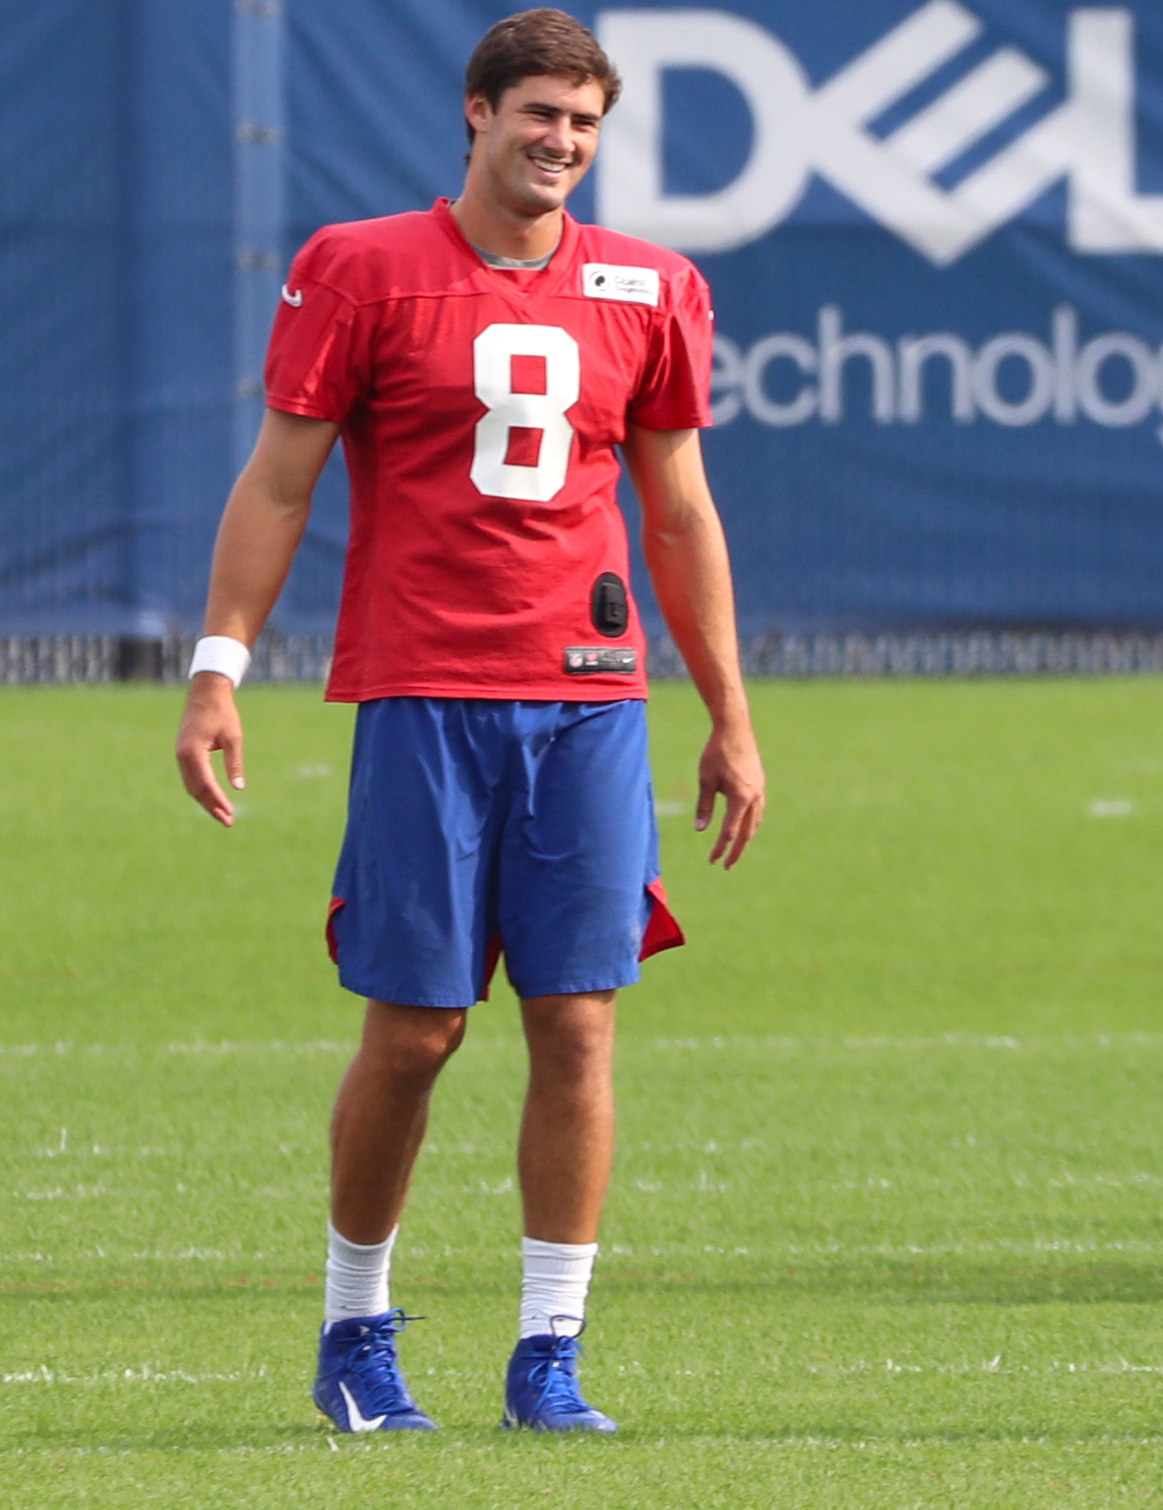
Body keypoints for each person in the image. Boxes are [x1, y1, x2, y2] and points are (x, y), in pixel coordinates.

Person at [176, 7, 764, 1435]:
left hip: (589, 704)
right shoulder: (360, 267)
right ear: (476, 114)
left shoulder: (652, 285)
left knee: (578, 1023)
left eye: (583, 122)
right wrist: (216, 668)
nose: (559, 142)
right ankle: (354, 1327)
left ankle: (548, 1354)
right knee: (418, 1028)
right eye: (537, 115)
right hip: (426, 692)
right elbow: (277, 484)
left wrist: (731, 716)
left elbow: (679, 511)